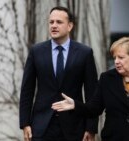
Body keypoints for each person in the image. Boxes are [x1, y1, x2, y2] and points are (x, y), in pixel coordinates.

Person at [52, 37, 129, 141]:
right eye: (115, 58)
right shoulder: (107, 79)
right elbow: (94, 109)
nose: (117, 61)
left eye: (121, 57)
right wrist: (75, 105)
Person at [19, 6, 98, 141]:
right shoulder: (36, 51)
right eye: (51, 22)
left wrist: (90, 128)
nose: (54, 26)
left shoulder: (84, 53)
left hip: (74, 127)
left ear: (70, 26)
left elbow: (92, 93)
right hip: (41, 127)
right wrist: (25, 123)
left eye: (59, 22)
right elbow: (27, 90)